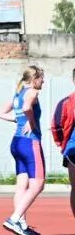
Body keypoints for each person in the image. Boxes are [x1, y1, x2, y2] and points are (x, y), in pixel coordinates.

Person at [0, 65, 45, 235]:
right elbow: (26, 108)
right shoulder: (32, 92)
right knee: (38, 184)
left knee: (22, 186)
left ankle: (21, 225)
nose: (43, 81)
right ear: (34, 79)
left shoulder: (17, 94)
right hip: (29, 143)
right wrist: (31, 122)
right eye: (41, 78)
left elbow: (0, 113)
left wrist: (19, 120)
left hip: (16, 143)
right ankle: (15, 219)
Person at [50, 68, 75, 221]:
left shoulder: (65, 102)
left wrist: (62, 144)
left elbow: (56, 126)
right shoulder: (66, 103)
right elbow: (57, 126)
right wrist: (62, 145)